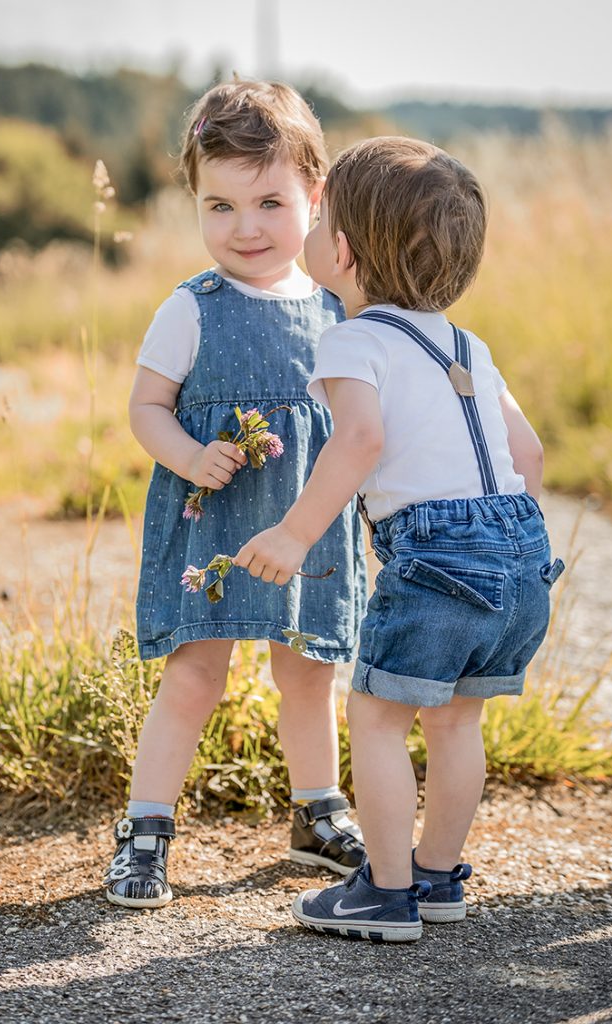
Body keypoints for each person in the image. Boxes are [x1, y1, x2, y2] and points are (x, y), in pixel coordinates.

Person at [234, 136, 564, 943]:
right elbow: (528, 455)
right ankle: (438, 877)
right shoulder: (468, 345)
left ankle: (384, 895)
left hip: (438, 560)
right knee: (457, 721)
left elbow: (359, 443)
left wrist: (293, 531)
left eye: (318, 220)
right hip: (520, 552)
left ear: (339, 253)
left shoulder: (354, 340)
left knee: (378, 719)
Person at [103, 80, 368, 909]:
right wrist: (185, 452)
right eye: (219, 206)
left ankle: (316, 809)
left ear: (314, 197)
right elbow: (146, 405)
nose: (245, 228)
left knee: (309, 674)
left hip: (306, 524)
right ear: (194, 202)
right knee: (194, 677)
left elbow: (356, 424)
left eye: (269, 202)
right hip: (212, 520)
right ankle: (146, 827)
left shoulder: (338, 310)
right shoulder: (192, 308)